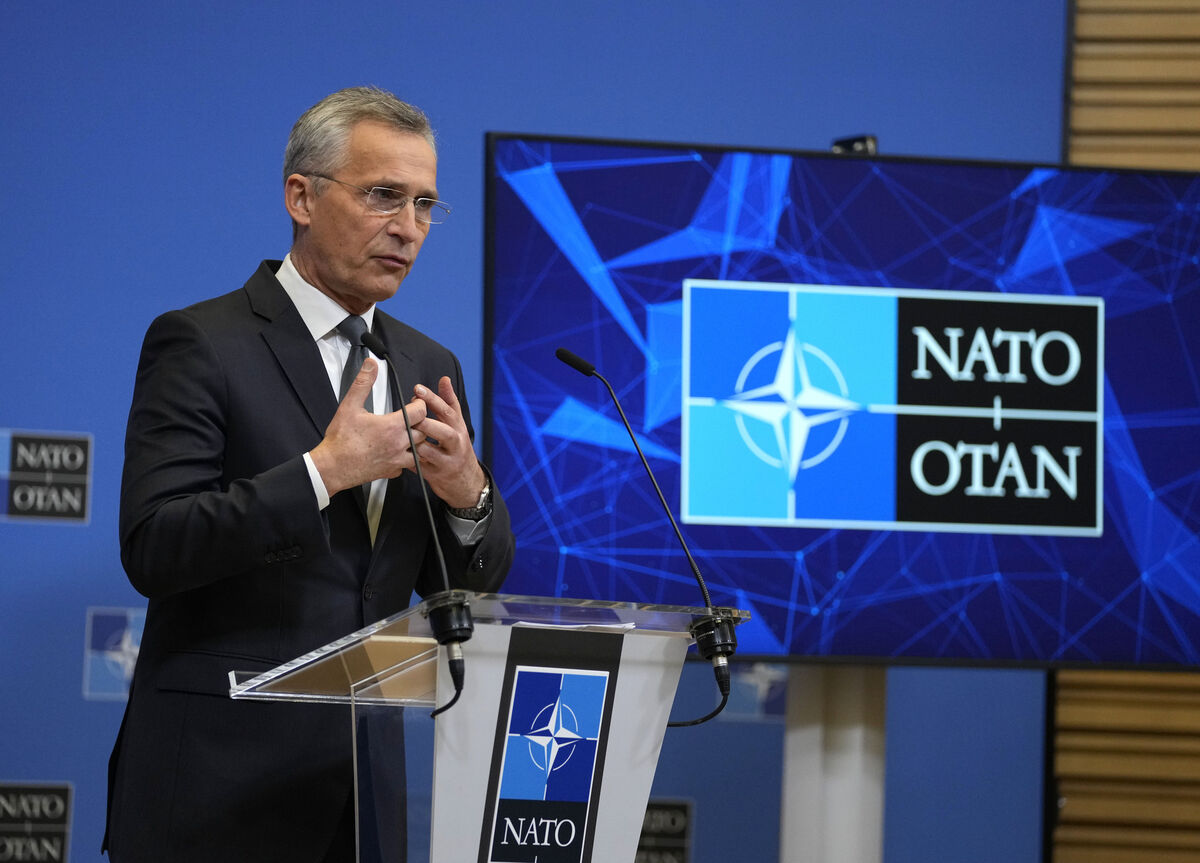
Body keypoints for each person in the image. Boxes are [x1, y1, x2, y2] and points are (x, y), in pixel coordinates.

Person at [103, 86, 514, 862]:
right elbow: (155, 545)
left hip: (361, 796)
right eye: (384, 196)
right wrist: (322, 472)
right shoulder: (202, 342)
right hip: (215, 791)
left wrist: (469, 499)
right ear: (302, 196)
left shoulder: (429, 365)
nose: (409, 228)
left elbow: (463, 585)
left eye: (426, 204)